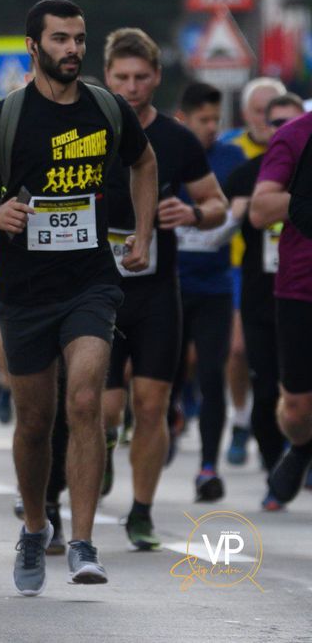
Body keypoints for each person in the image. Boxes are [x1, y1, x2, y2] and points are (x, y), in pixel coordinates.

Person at [0, 0, 156, 595]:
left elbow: (144, 163)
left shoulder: (107, 108)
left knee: (86, 398)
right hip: (26, 291)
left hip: (90, 282)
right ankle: (36, 526)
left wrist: (141, 234)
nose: (73, 49)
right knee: (35, 421)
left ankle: (85, 544)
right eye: (60, 39)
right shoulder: (6, 118)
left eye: (80, 38)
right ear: (33, 47)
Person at [98, 36, 227, 550]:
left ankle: (141, 511)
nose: (131, 87)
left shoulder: (176, 139)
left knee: (152, 405)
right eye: (121, 77)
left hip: (155, 292)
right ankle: (101, 447)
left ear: (156, 77)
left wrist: (193, 214)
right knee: (102, 407)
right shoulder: (88, 131)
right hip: (97, 292)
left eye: (141, 77)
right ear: (106, 76)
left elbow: (216, 203)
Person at [224, 93, 305, 508]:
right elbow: (252, 213)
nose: (276, 126)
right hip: (283, 291)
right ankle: (291, 451)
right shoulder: (275, 153)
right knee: (286, 401)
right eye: (271, 120)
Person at [170, 82, 242, 500]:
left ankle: (208, 468)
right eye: (204, 120)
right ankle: (169, 420)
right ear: (185, 118)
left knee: (213, 375)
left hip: (214, 285)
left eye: (217, 120)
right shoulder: (168, 153)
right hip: (171, 285)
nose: (212, 128)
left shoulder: (231, 158)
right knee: (167, 377)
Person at [250, 90, 312, 506]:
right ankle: (303, 444)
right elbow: (259, 210)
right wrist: (304, 200)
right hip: (300, 286)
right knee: (296, 412)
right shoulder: (294, 136)